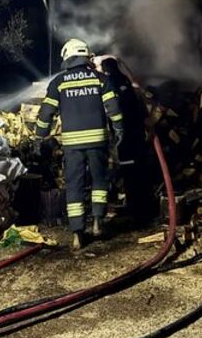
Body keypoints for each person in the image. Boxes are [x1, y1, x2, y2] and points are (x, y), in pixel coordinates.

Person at [36, 39, 123, 249]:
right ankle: (97, 223)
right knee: (99, 181)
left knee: (75, 185)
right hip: (97, 142)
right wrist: (119, 129)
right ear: (86, 56)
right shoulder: (101, 79)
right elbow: (113, 107)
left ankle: (77, 233)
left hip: (72, 145)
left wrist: (40, 135)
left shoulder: (59, 82)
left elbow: (46, 112)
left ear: (67, 56)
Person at [99, 57, 155, 223]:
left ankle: (134, 206)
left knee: (127, 170)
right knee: (137, 167)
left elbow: (112, 108)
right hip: (135, 132)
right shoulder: (125, 80)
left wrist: (116, 130)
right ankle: (141, 204)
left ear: (105, 69)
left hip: (124, 133)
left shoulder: (110, 82)